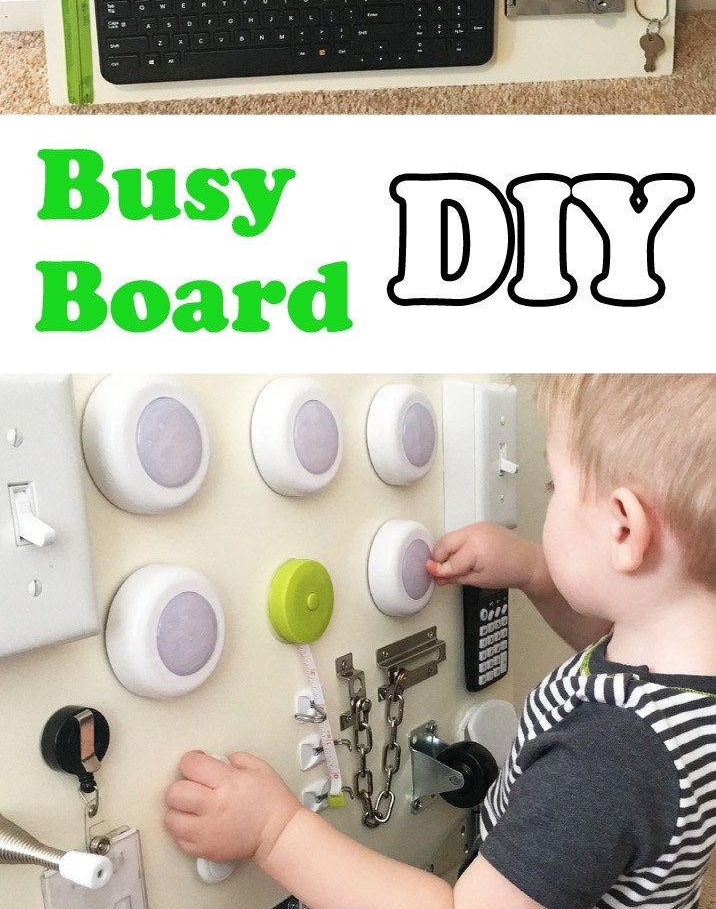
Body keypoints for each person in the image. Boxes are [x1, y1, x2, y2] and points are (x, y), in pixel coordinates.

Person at [164, 374, 716, 909]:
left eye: (554, 487)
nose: (548, 500)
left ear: (623, 529)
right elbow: (602, 643)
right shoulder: (681, 664)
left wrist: (274, 831)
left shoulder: (606, 760)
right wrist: (530, 570)